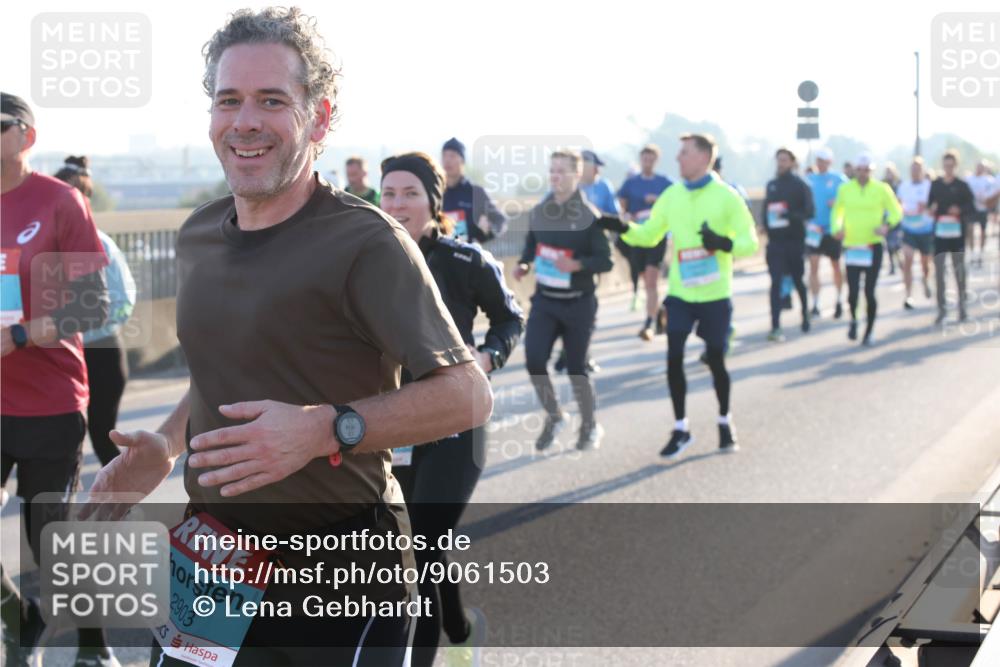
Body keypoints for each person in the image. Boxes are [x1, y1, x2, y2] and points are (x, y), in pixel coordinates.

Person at [84, 10, 493, 666]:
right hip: (213, 554)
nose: (245, 120)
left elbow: (467, 396)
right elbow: (228, 368)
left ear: (319, 118)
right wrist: (165, 444)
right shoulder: (198, 236)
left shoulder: (367, 243)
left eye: (272, 100)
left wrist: (328, 428)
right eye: (229, 100)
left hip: (341, 569)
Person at [380, 152, 523, 667]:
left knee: (423, 545)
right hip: (389, 424)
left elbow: (510, 318)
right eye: (389, 193)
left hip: (456, 421)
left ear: (432, 203)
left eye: (410, 194)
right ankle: (462, 632)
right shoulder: (365, 260)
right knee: (415, 550)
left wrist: (487, 358)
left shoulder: (466, 261)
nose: (397, 204)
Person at [1, 93, 112, 667]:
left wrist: (19, 335)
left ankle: (94, 648)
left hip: (50, 401)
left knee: (50, 543)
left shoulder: (60, 202)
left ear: (27, 136)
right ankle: (21, 619)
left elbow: (94, 307)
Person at [609, 133, 758, 457]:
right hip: (680, 293)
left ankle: (724, 421)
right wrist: (619, 227)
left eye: (685, 153)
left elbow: (751, 243)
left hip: (716, 295)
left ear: (704, 158)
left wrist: (723, 243)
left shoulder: (727, 197)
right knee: (673, 354)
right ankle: (681, 428)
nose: (677, 159)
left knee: (716, 359)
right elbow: (649, 236)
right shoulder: (672, 195)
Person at [514, 149, 612, 452]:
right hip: (545, 300)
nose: (555, 176)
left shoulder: (589, 216)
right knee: (534, 361)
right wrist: (525, 264)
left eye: (561, 171)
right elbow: (532, 245)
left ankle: (589, 424)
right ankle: (555, 415)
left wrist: (578, 265)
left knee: (575, 368)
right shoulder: (541, 211)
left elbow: (605, 261)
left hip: (578, 302)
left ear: (576, 175)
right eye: (552, 170)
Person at [54, 156, 137, 466]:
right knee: (56, 439)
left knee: (103, 438)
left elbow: (123, 301)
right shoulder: (46, 243)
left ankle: (125, 505)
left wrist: (76, 326)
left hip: (100, 354)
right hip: (60, 357)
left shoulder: (99, 243)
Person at [831, 154, 902, 345]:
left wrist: (887, 225)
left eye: (867, 170)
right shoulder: (845, 189)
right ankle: (854, 320)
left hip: (873, 245)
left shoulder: (882, 189)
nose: (863, 173)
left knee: (869, 291)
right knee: (853, 291)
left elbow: (896, 211)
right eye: (860, 170)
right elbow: (837, 212)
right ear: (855, 170)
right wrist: (836, 229)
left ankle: (869, 330)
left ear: (872, 171)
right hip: (853, 246)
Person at [616, 144, 672, 340]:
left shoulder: (665, 182)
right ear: (641, 160)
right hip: (637, 236)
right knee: (644, 278)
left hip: (657, 237)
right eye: (645, 159)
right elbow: (622, 208)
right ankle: (659, 311)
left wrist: (656, 200)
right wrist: (627, 216)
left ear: (656, 160)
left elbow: (675, 203)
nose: (648, 162)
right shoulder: (631, 183)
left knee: (651, 280)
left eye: (651, 159)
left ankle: (649, 323)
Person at [761, 148, 814, 341]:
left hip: (795, 242)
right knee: (775, 283)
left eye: (784, 160)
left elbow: (810, 212)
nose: (780, 163)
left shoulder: (800, 185)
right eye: (778, 160)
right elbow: (766, 209)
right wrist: (765, 225)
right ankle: (775, 325)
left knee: (798, 281)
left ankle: (805, 314)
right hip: (776, 243)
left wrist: (790, 216)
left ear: (792, 162)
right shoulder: (772, 185)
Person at [928, 149, 976, 324]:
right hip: (940, 235)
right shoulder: (936, 184)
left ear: (955, 165)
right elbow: (929, 204)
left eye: (951, 165)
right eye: (945, 165)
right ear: (942, 165)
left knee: (959, 272)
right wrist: (931, 209)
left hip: (957, 235)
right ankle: (942, 311)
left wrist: (960, 210)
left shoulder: (962, 185)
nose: (948, 168)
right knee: (940, 273)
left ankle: (962, 309)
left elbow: (972, 207)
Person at [805, 147, 847, 318]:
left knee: (836, 266)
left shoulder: (839, 180)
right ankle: (815, 303)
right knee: (813, 266)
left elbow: (848, 201)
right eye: (818, 160)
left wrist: (838, 203)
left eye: (823, 161)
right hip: (814, 231)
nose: (820, 164)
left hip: (832, 231)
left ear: (830, 162)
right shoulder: (809, 180)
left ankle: (838, 300)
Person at [441, 137, 508, 243]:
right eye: (444, 155)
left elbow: (500, 220)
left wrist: (488, 231)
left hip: (467, 254)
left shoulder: (476, 192)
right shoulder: (436, 192)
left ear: (462, 161)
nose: (447, 160)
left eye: (452, 156)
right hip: (439, 255)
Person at [896, 157, 934, 310]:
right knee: (908, 261)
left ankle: (926, 279)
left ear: (922, 170)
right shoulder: (903, 186)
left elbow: (934, 206)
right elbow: (897, 204)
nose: (915, 172)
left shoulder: (929, 186)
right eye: (913, 169)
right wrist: (901, 209)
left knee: (925, 263)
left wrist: (926, 206)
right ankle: (908, 295)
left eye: (918, 169)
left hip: (925, 229)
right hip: (909, 229)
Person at [966, 160, 995, 268]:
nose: (979, 169)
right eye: (978, 167)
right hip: (972, 209)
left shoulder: (989, 180)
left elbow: (993, 194)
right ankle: (973, 253)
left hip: (983, 209)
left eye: (982, 167)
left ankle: (981, 253)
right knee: (970, 229)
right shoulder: (969, 179)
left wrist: (988, 201)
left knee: (983, 231)